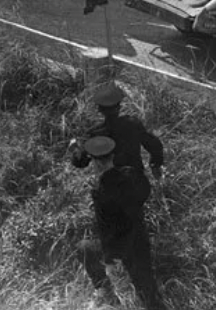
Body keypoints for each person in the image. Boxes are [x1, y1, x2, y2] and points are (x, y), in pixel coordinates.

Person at [76, 136, 166, 310]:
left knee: (84, 248)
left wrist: (110, 260)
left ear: (96, 163)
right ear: (112, 156)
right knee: (148, 295)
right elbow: (144, 193)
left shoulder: (100, 191)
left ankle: (104, 289)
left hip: (119, 247)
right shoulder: (132, 174)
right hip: (140, 241)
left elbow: (105, 229)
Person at [70, 82, 164, 206]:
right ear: (119, 107)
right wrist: (155, 164)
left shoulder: (95, 134)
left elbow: (80, 162)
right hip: (139, 186)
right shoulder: (133, 124)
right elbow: (155, 144)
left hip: (111, 192)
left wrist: (74, 150)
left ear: (99, 109)